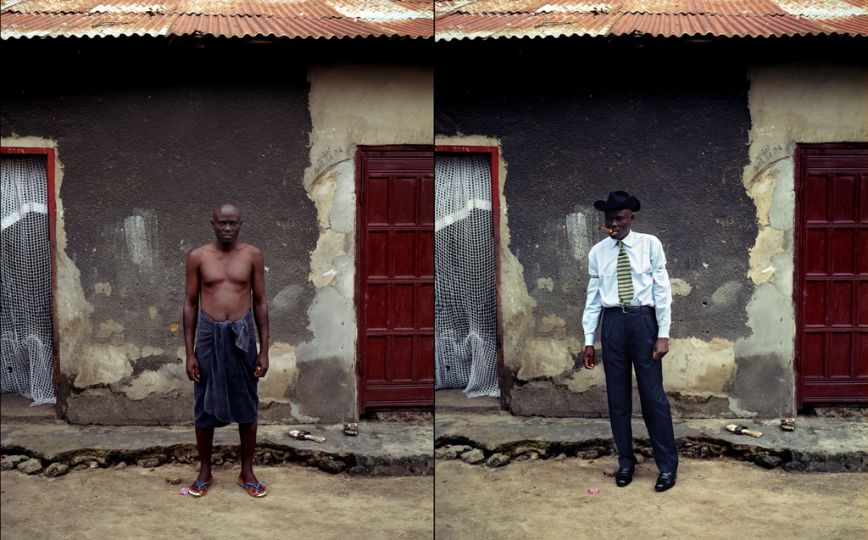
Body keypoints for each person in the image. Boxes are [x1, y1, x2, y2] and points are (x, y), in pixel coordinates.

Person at [581, 191, 678, 492]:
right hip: (613, 324)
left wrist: (663, 333)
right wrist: (589, 339)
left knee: (653, 396)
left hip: (643, 323)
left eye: (620, 218)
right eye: (610, 219)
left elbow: (662, 290)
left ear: (631, 219)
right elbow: (593, 298)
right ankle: (626, 463)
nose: (614, 224)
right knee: (617, 397)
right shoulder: (598, 252)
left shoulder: (650, 245)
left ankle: (667, 467)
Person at [183, 202, 270, 498]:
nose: (228, 228)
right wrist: (190, 352)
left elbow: (260, 302)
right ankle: (204, 471)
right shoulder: (198, 256)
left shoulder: (253, 255)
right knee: (204, 403)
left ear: (241, 223)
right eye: (222, 223)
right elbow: (189, 304)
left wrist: (264, 350)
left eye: (233, 223)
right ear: (212, 223)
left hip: (243, 334)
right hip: (208, 334)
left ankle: (247, 472)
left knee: (247, 403)